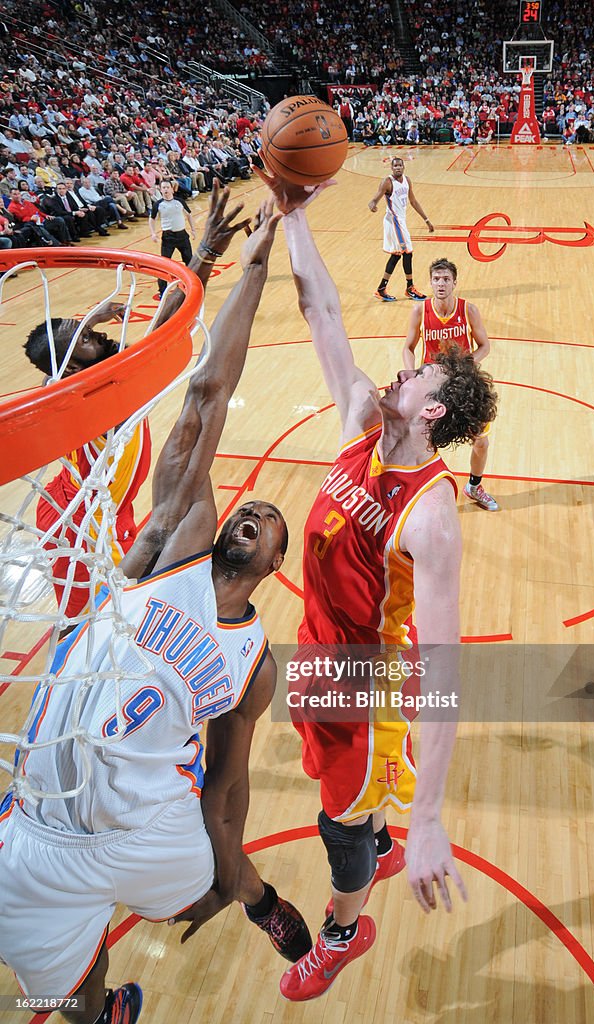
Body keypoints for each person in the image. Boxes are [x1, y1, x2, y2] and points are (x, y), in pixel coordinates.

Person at [0, 193, 312, 1024]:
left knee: (213, 869)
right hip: (41, 829)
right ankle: (103, 1008)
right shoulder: (164, 552)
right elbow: (204, 396)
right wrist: (246, 265)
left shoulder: (254, 665)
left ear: (276, 565)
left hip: (150, 834)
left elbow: (229, 781)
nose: (252, 512)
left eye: (269, 523)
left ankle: (253, 898)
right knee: (58, 984)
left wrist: (230, 870)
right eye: (248, 507)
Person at [259, 169, 497, 1001]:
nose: (402, 373)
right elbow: (322, 313)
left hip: (367, 689)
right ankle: (382, 831)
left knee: (338, 821)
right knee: (351, 805)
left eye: (420, 376)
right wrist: (292, 219)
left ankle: (342, 929)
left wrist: (432, 814)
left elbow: (444, 673)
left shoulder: (431, 519)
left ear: (433, 411)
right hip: (318, 656)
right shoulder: (361, 416)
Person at [24, 183, 239, 618]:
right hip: (78, 525)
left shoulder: (73, 375)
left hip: (95, 503)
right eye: (84, 339)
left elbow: (59, 358)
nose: (97, 336)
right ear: (69, 367)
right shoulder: (96, 396)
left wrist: (88, 320)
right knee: (92, 622)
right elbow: (169, 315)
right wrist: (207, 252)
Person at [403, 257, 499, 511]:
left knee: (481, 441)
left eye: (446, 279)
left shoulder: (468, 310)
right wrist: (412, 373)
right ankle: (417, 492)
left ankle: (474, 486)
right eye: (436, 279)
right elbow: (408, 347)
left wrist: (466, 365)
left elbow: (485, 346)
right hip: (433, 388)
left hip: (464, 385)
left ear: (454, 282)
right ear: (431, 283)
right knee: (422, 442)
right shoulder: (420, 311)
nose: (441, 283)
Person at [368, 156, 435, 302]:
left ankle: (381, 289)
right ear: (391, 168)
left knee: (397, 254)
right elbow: (376, 197)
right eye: (395, 166)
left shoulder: (407, 180)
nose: (398, 167)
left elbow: (413, 201)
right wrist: (372, 204)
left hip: (400, 221)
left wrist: (426, 220)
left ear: (404, 167)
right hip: (393, 221)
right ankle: (410, 288)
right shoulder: (387, 182)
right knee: (407, 252)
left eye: (400, 165)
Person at [149, 180, 196, 299]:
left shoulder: (179, 201)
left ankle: (193, 285)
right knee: (164, 265)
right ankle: (162, 291)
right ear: (160, 189)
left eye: (167, 187)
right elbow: (152, 219)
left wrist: (193, 229)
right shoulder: (158, 204)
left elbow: (189, 215)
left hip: (182, 236)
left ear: (171, 189)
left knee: (190, 261)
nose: (165, 190)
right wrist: (153, 233)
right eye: (163, 187)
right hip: (168, 237)